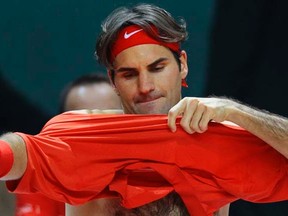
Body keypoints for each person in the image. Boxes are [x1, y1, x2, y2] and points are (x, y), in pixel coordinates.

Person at [0, 3, 288, 216]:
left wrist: (234, 111)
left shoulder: (218, 139)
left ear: (183, 64)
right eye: (129, 74)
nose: (146, 85)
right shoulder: (86, 136)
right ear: (113, 81)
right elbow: (21, 151)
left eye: (157, 67)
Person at [14, 72, 122, 216]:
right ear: (61, 128)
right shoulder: (42, 180)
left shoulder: (148, 173)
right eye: (84, 122)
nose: (97, 133)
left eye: (108, 119)